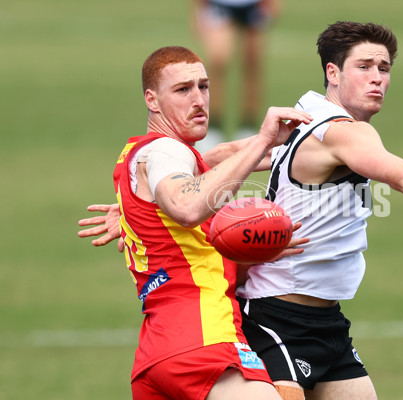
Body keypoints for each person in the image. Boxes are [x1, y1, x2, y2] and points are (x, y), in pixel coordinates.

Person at [79, 22, 403, 400]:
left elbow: (216, 160)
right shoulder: (341, 132)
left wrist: (140, 208)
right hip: (273, 319)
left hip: (327, 322)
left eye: (384, 67)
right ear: (333, 73)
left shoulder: (302, 121)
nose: (378, 76)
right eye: (365, 66)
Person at [83, 45, 312, 400]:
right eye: (182, 89)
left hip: (157, 355)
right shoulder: (164, 151)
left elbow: (215, 165)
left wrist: (258, 248)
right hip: (204, 343)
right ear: (152, 100)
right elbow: (188, 205)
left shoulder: (142, 155)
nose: (199, 100)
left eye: (203, 87)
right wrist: (264, 139)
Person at [190, 0, 281, 151]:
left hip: (254, 5)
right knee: (218, 60)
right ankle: (212, 126)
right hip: (220, 5)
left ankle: (248, 126)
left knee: (252, 63)